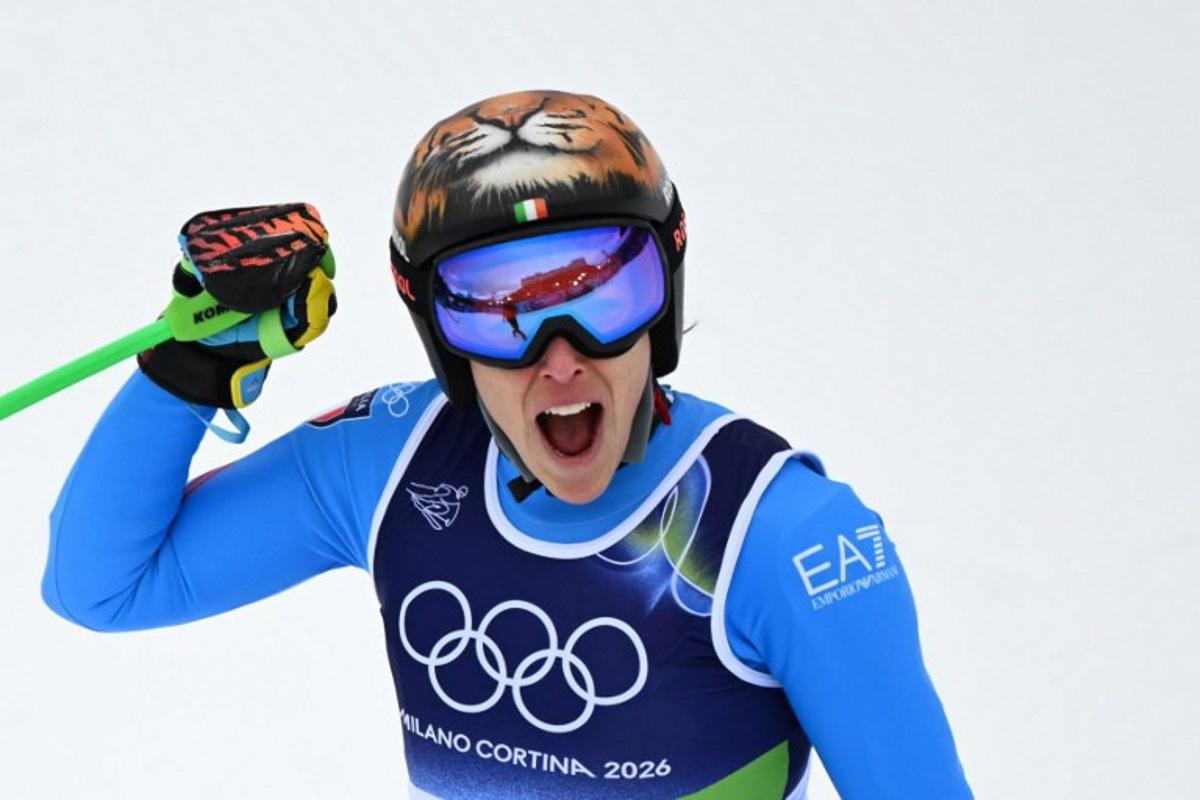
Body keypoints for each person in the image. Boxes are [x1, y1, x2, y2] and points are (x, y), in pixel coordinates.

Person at [41, 90, 973, 799]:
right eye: (499, 313)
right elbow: (103, 586)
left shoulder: (781, 538)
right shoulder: (393, 466)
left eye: (604, 298)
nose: (559, 363)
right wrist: (190, 367)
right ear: (439, 336)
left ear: (665, 303)